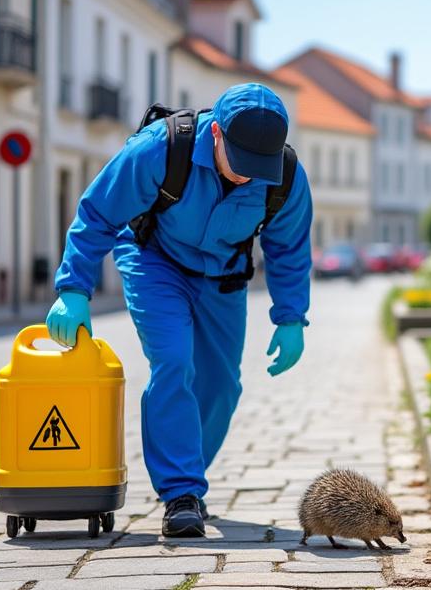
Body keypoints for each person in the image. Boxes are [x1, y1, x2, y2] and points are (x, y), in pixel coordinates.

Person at [46, 83, 313, 538]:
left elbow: (288, 248)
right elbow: (98, 214)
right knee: (173, 361)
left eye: (258, 167)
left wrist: (291, 317)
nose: (248, 176)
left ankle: (188, 469)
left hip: (224, 275)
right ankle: (181, 494)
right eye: (241, 162)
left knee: (223, 386)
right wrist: (74, 288)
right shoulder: (159, 149)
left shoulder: (285, 174)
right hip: (156, 262)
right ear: (215, 135)